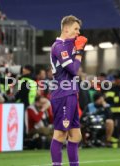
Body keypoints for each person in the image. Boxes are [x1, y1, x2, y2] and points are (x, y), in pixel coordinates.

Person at [49, 15, 87, 166]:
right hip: (62, 95)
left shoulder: (67, 45)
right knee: (60, 134)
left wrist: (77, 47)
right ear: (66, 28)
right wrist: (79, 52)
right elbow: (73, 69)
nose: (78, 32)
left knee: (76, 135)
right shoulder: (59, 47)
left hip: (70, 93)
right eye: (76, 29)